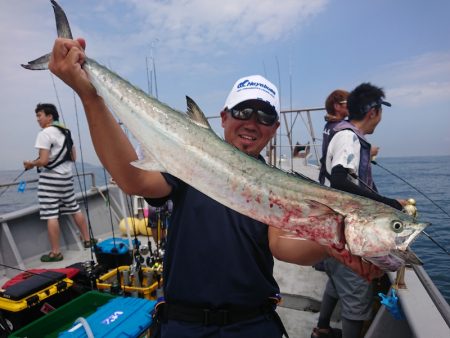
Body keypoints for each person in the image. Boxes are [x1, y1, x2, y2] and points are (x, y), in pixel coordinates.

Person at [48, 36, 382, 337]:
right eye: (243, 111)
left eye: (265, 117)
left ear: (275, 127)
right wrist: (90, 97)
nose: (252, 122)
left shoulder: (276, 185)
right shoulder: (187, 165)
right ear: (223, 117)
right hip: (183, 323)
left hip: (252, 323)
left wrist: (334, 242)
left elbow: (282, 246)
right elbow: (132, 179)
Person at [313, 84, 407, 338]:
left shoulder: (346, 135)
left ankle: (321, 328)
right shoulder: (348, 137)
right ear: (374, 112)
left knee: (335, 283)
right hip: (346, 235)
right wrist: (388, 203)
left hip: (336, 231)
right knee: (355, 300)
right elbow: (340, 180)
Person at [23, 103, 93, 262]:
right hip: (67, 178)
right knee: (75, 208)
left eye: (39, 115)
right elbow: (73, 157)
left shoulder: (44, 134)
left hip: (50, 180)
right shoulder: (67, 132)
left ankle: (55, 252)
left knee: (51, 215)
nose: (37, 119)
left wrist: (30, 164)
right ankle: (88, 240)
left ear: (50, 116)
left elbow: (44, 161)